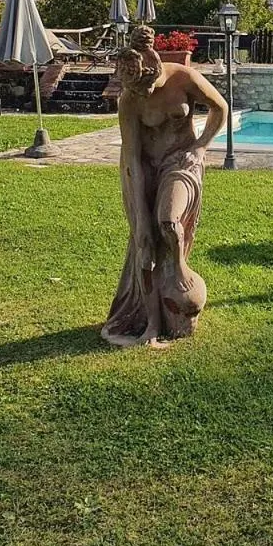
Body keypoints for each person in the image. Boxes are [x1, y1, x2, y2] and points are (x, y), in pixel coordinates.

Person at [102, 26, 228, 346]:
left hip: (181, 163)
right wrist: (140, 218)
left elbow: (220, 108)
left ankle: (181, 276)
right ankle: (152, 325)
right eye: (136, 91)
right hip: (144, 169)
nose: (143, 97)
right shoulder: (129, 100)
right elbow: (131, 158)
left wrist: (200, 147)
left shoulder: (183, 78)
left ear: (156, 70)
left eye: (148, 89)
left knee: (169, 224)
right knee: (145, 244)